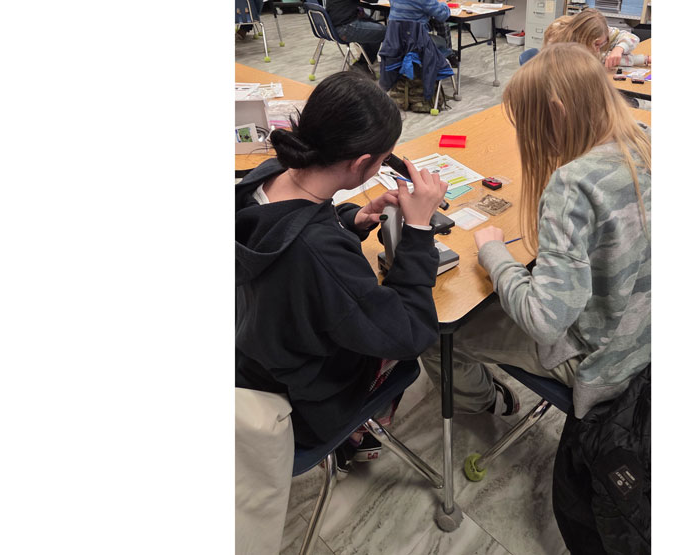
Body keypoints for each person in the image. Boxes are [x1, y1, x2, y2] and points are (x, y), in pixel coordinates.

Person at [419, 43, 651, 550]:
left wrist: (493, 253)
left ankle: (487, 400)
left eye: (527, 125)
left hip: (604, 369)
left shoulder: (574, 182)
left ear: (559, 114)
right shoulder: (646, 140)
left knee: (436, 328)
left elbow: (545, 321)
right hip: (646, 344)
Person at [235, 71, 449, 550]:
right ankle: (359, 429)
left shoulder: (263, 178)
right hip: (303, 398)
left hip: (253, 348)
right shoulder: (319, 254)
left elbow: (290, 235)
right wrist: (415, 233)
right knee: (416, 353)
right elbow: (411, 330)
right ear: (363, 163)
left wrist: (351, 218)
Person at [546, 8, 650, 69]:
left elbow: (632, 37)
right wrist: (642, 59)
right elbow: (601, 58)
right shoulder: (559, 40)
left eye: (602, 44)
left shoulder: (598, 29)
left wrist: (619, 48)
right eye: (596, 44)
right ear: (582, 38)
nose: (598, 49)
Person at [327, 0, 386, 69]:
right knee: (387, 32)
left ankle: (365, 61)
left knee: (374, 26)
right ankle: (363, 65)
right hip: (345, 28)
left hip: (336, 25)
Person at [388, 0, 453, 53]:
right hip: (416, 41)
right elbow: (443, 15)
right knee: (443, 42)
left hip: (393, 38)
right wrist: (443, 2)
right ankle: (444, 61)